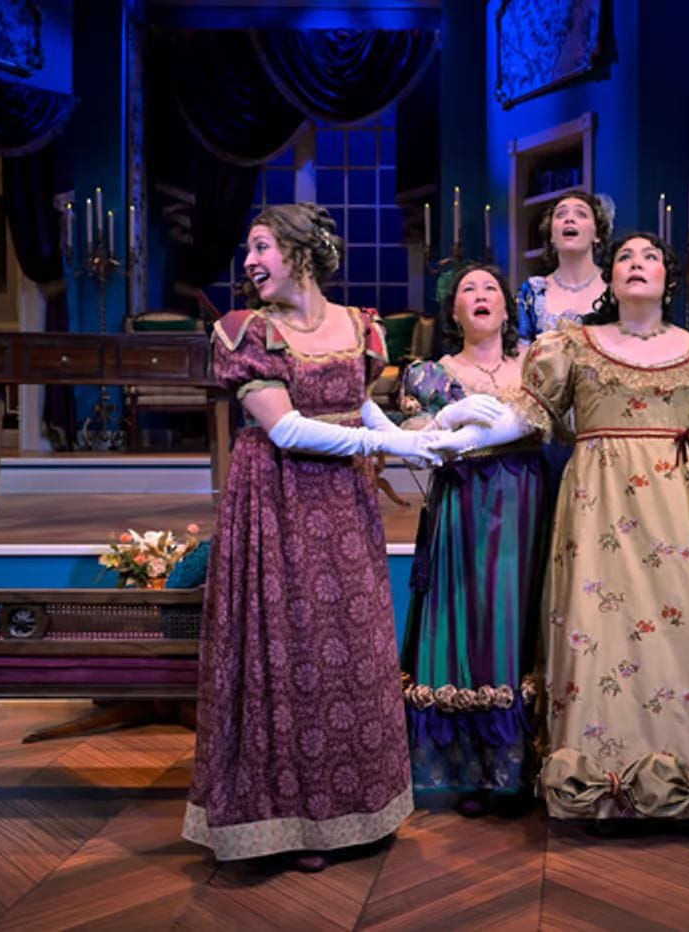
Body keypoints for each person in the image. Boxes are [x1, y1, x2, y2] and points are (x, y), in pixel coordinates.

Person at [430, 233, 689, 821]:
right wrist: (448, 437)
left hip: (680, 520)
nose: (636, 264)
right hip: (599, 517)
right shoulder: (573, 346)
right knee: (602, 636)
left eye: (650, 257)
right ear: (611, 279)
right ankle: (602, 781)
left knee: (687, 635)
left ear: (669, 280)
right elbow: (523, 418)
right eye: (625, 257)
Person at [183, 203, 459, 871]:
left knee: (352, 643)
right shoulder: (246, 331)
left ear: (301, 252)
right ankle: (290, 822)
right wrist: (382, 444)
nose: (249, 261)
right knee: (291, 647)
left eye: (262, 246)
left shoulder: (357, 326)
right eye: (249, 249)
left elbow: (358, 402)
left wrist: (414, 440)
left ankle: (359, 809)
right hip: (278, 500)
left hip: (343, 503)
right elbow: (288, 430)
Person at [395, 263, 550, 814]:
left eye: (491, 289)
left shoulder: (539, 362)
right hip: (462, 507)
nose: (481, 296)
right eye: (468, 291)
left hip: (528, 503)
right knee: (470, 620)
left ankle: (528, 766)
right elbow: (409, 437)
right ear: (454, 312)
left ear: (507, 308)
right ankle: (476, 769)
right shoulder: (430, 373)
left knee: (521, 621)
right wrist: (447, 418)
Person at [516, 191, 612, 342]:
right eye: (561, 214)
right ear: (552, 236)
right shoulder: (533, 292)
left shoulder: (614, 288)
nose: (569, 219)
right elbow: (522, 351)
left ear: (597, 235)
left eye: (581, 214)